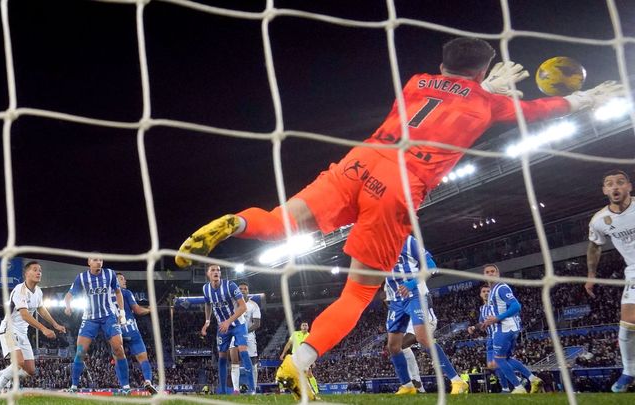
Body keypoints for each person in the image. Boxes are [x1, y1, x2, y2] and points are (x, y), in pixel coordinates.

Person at [175, 37, 623, 399]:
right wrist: (583, 99)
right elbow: (538, 111)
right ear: (483, 72)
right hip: (399, 187)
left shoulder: (417, 81)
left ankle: (237, 222)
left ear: (443, 63)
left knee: (280, 221)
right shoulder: (487, 105)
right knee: (357, 294)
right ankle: (301, 362)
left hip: (361, 160)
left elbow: (452, 94)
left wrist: (485, 87)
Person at [384, 235, 467, 394]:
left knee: (422, 338)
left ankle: (457, 381)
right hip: (396, 300)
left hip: (415, 293)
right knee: (393, 346)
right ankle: (407, 386)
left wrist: (411, 283)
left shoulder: (408, 241)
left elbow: (431, 265)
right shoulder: (377, 248)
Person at [585, 169, 635, 392]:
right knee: (627, 322)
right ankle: (629, 372)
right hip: (633, 270)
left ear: (629, 187)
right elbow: (595, 245)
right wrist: (591, 276)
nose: (615, 187)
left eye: (620, 182)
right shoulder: (599, 220)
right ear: (605, 190)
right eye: (610, 183)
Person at [0, 261, 66, 394]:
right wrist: (43, 329)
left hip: (22, 333)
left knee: (30, 370)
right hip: (9, 329)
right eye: (35, 270)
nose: (39, 273)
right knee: (19, 362)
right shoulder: (20, 289)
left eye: (40, 270)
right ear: (26, 274)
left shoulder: (39, 292)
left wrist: (54, 324)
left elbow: (41, 309)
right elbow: (24, 315)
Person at [64, 258, 130, 393]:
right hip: (90, 319)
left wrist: (122, 312)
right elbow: (69, 295)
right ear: (89, 262)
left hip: (109, 317)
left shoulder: (110, 274)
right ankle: (74, 387)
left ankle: (126, 387)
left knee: (118, 349)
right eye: (95, 260)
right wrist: (68, 306)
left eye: (101, 259)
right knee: (80, 352)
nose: (99, 262)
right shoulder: (81, 278)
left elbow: (118, 292)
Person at [481, 264, 543, 394]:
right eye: (487, 272)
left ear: (498, 273)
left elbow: (516, 306)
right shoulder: (493, 290)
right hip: (511, 328)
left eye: (493, 271)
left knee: (498, 359)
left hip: (504, 328)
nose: (490, 273)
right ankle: (533, 379)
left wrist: (497, 318)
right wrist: (489, 322)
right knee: (506, 358)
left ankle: (518, 387)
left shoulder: (501, 288)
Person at [200, 264, 255, 394]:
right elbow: (208, 304)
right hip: (222, 327)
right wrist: (207, 321)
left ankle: (252, 389)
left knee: (243, 350)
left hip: (238, 324)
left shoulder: (230, 286)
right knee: (222, 356)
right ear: (208, 274)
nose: (216, 272)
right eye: (212, 270)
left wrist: (228, 321)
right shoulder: (205, 289)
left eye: (218, 270)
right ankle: (223, 392)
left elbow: (243, 307)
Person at [114, 272, 158, 394]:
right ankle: (148, 381)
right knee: (143, 359)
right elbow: (137, 310)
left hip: (115, 332)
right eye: (121, 279)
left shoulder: (107, 296)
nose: (125, 281)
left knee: (118, 359)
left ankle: (125, 387)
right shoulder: (126, 293)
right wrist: (150, 309)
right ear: (115, 282)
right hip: (131, 330)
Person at [468, 284, 510, 393]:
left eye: (488, 291)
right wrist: (474, 327)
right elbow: (482, 324)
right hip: (489, 338)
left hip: (498, 337)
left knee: (498, 363)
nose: (486, 293)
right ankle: (517, 379)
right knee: (491, 366)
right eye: (484, 291)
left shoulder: (496, 305)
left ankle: (506, 388)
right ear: (480, 294)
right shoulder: (482, 308)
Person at [228, 281, 261, 394]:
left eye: (245, 289)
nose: (242, 290)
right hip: (234, 335)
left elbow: (257, 323)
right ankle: (236, 390)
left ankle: (254, 388)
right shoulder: (232, 304)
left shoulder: (253, 305)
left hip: (249, 336)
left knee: (253, 362)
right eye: (240, 288)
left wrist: (244, 332)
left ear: (248, 291)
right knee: (234, 361)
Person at [279, 322, 318, 395]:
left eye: (306, 325)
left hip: (305, 357)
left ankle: (316, 391)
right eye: (303, 325)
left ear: (308, 327)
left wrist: (313, 361)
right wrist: (283, 353)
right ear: (300, 327)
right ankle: (282, 389)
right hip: (295, 356)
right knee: (288, 372)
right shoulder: (295, 334)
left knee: (309, 374)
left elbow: (312, 349)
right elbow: (288, 344)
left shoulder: (310, 336)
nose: (304, 326)